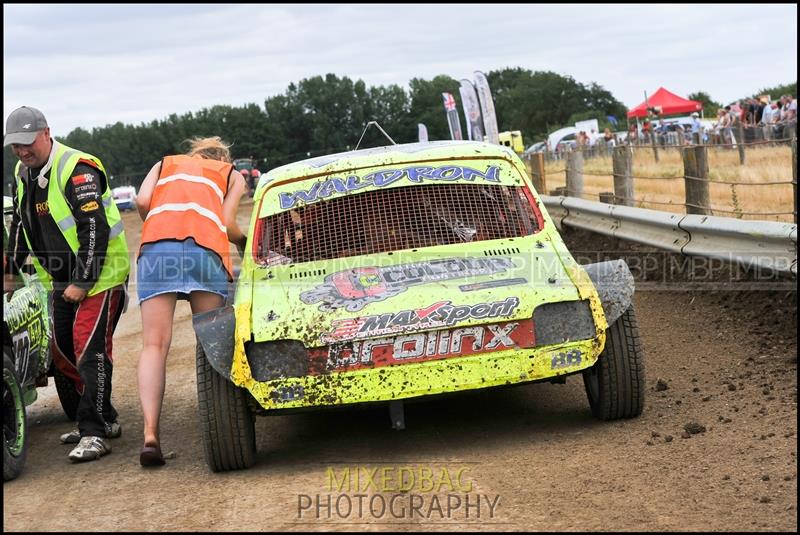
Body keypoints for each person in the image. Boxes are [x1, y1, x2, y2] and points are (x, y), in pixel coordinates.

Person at [3, 106, 130, 463]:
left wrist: (83, 280)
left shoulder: (78, 168)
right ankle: (103, 417)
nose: (22, 151)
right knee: (63, 351)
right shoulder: (22, 171)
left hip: (100, 276)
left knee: (89, 351)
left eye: (27, 143)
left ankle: (93, 432)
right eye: (15, 146)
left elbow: (94, 228)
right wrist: (12, 268)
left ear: (46, 133)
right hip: (60, 280)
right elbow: (21, 224)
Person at [134, 136, 247, 467]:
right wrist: (243, 243)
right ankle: (222, 424)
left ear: (193, 154)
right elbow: (226, 225)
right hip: (205, 249)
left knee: (154, 345)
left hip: (157, 250)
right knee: (212, 340)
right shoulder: (231, 174)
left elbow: (142, 201)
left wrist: (159, 230)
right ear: (224, 158)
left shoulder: (165, 163)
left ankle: (150, 435)